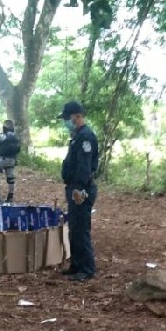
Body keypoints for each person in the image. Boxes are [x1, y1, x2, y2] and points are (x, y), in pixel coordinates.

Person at [58, 101, 98, 282]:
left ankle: (87, 268)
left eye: (68, 118)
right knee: (74, 228)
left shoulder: (86, 137)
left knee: (81, 229)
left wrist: (79, 189)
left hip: (81, 188)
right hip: (73, 186)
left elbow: (84, 166)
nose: (66, 121)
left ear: (77, 116)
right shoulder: (77, 136)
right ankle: (76, 265)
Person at [0, 119, 21, 203]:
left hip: (2, 159)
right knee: (10, 178)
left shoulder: (3, 135)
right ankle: (10, 197)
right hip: (12, 160)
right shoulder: (16, 136)